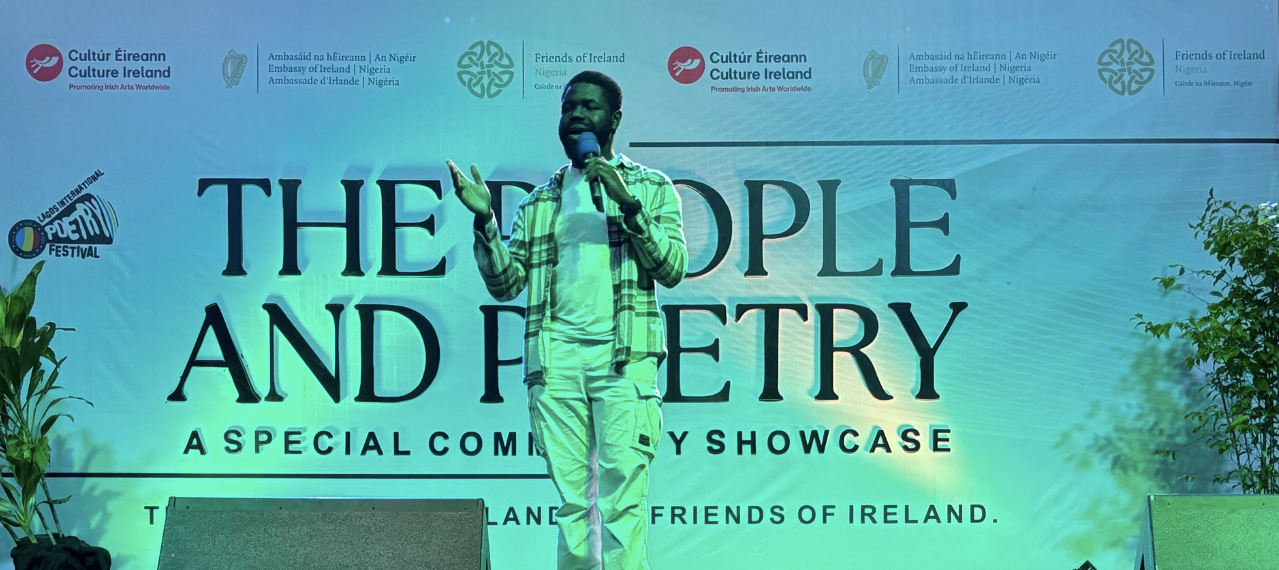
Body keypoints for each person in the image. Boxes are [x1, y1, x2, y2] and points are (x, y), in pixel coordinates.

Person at [447, 70, 686, 570]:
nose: (576, 114)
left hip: (623, 361)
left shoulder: (651, 188)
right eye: (568, 106)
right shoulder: (539, 203)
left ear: (614, 120)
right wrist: (485, 221)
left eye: (589, 106)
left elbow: (671, 268)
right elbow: (506, 284)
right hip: (555, 362)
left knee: (623, 503)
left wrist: (627, 204)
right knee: (574, 505)